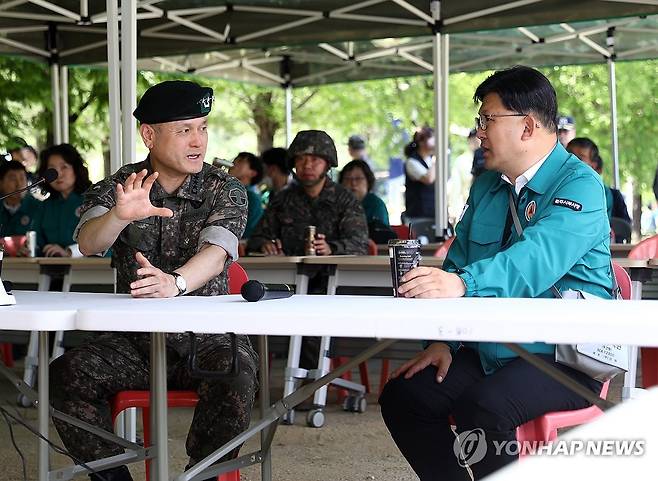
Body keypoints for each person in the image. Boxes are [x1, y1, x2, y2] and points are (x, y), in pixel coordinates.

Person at [380, 66, 612, 481]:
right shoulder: (487, 186)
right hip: (491, 349)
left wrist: (462, 284)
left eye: (488, 120)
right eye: (479, 122)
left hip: (563, 353)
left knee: (484, 408)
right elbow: (459, 259)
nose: (480, 133)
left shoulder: (580, 184)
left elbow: (535, 259)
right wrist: (442, 342)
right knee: (405, 397)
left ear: (527, 126)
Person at [49, 80, 258, 481]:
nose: (198, 140)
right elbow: (90, 243)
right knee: (66, 374)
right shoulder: (123, 184)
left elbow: (218, 254)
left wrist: (175, 283)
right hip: (136, 342)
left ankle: (203, 475)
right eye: (185, 130)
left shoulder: (224, 188)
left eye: (203, 127)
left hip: (206, 336)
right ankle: (112, 476)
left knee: (238, 372)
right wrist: (118, 216)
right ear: (149, 134)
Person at [247, 130, 369, 257]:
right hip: (289, 274)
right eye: (300, 159)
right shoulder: (282, 200)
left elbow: (360, 244)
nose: (307, 165)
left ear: (327, 164)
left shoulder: (345, 200)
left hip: (334, 274)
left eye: (315, 159)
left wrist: (331, 248)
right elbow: (255, 239)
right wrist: (265, 245)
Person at [32, 143, 91, 257]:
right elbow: (37, 241)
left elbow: (104, 241)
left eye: (64, 167)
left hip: (91, 269)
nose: (58, 174)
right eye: (52, 169)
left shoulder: (93, 200)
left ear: (76, 169)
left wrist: (70, 252)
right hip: (50, 269)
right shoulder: (44, 206)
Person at [566, 137, 631, 224]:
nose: (571, 161)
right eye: (569, 156)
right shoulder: (554, 189)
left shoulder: (613, 197)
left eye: (579, 159)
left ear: (593, 165)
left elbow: (625, 228)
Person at [339, 159, 393, 243]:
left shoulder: (376, 204)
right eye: (348, 179)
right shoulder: (336, 203)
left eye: (358, 178)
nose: (353, 183)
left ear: (368, 181)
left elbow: (382, 236)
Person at [0, 160, 42, 239]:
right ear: (1, 183)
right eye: (13, 179)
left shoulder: (39, 208)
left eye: (22, 178)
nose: (19, 184)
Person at [228, 151, 264, 238]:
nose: (234, 163)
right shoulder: (228, 191)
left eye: (240, 161)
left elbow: (244, 231)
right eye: (235, 160)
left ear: (252, 173)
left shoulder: (252, 198)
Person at [404, 126, 436, 219]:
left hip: (434, 213)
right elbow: (428, 179)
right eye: (432, 138)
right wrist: (436, 158)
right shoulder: (411, 162)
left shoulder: (430, 159)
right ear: (421, 142)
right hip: (418, 216)